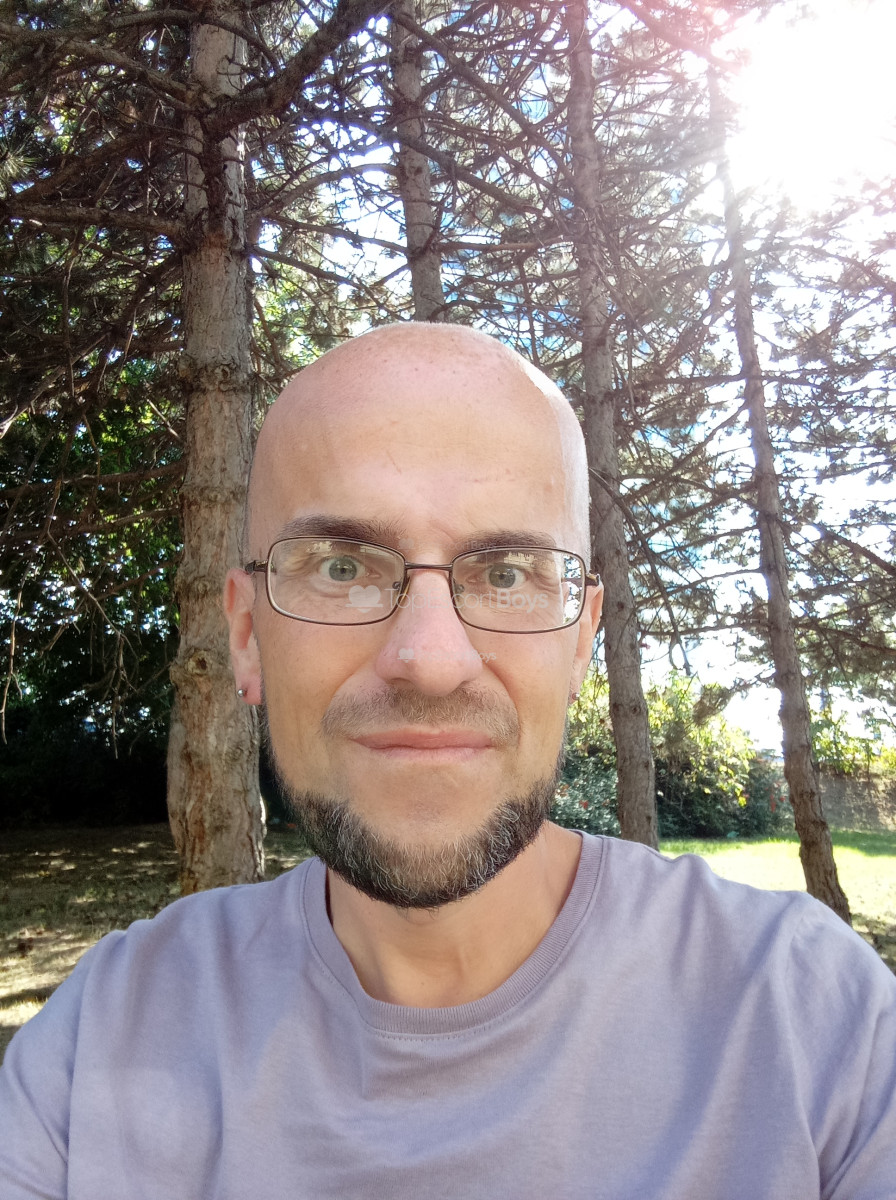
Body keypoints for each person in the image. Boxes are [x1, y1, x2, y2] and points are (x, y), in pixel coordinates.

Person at [1, 324, 895, 1199]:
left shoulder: (813, 1026)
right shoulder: (98, 1044)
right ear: (245, 633)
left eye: (506, 574)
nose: (430, 660)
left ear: (581, 642)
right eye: (341, 567)